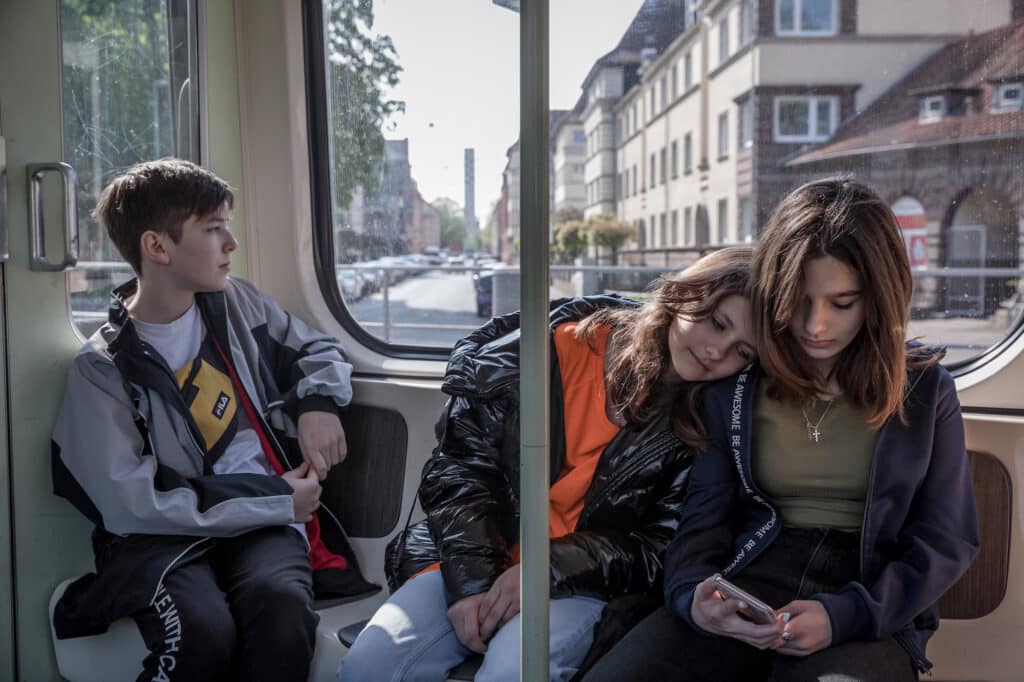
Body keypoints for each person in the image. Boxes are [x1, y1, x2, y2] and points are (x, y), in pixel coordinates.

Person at [583, 178, 981, 682]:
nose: (816, 325)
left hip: (869, 602)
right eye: (799, 299)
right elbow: (703, 521)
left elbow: (947, 540)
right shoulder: (737, 387)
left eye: (842, 303)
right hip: (749, 582)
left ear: (878, 298)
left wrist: (845, 616)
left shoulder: (925, 391)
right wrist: (694, 596)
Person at [338, 247, 757, 682]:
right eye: (716, 323)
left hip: (580, 580)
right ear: (682, 295)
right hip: (477, 549)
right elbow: (461, 473)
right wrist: (474, 582)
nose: (716, 351)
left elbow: (658, 545)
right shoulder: (547, 352)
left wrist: (546, 568)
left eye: (741, 352)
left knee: (512, 672)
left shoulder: (705, 424)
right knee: (370, 665)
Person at [51, 158, 377, 682]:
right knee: (202, 633)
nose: (231, 243)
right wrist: (274, 499)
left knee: (282, 613)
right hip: (163, 537)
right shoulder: (102, 370)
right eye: (213, 228)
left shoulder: (237, 304)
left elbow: (317, 347)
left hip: (264, 523)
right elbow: (131, 501)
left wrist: (318, 402)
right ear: (158, 248)